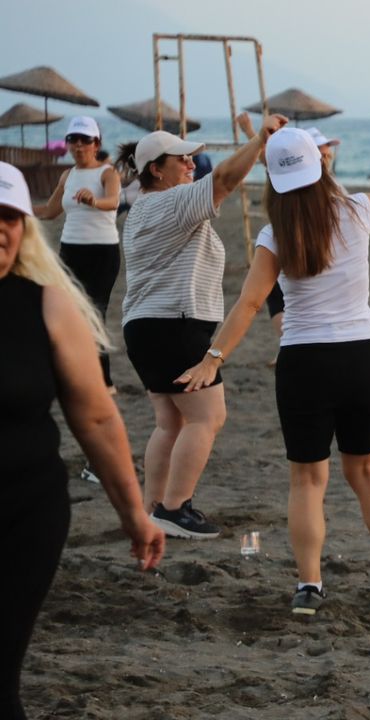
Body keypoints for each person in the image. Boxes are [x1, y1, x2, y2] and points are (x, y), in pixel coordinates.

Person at [174, 128, 370, 614]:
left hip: (305, 362)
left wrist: (212, 358)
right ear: (320, 166)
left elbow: (250, 303)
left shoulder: (275, 233)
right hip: (361, 357)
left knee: (307, 481)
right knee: (366, 469)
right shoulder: (357, 210)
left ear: (273, 179)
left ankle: (310, 588)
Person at [0, 161, 164, 719]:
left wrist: (134, 513)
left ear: (24, 228)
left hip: (23, 514)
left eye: (10, 217)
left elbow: (95, 418)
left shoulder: (47, 304)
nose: (0, 229)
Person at [115, 112, 287, 538]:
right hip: (173, 325)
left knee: (170, 423)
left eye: (191, 157)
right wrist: (258, 141)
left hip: (144, 327)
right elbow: (225, 180)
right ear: (157, 170)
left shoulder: (140, 209)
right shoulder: (170, 201)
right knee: (207, 417)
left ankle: (153, 508)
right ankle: (175, 509)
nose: (191, 163)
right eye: (181, 159)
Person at [33, 116, 121, 395]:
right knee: (65, 311)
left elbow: (113, 201)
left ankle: (105, 382)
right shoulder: (67, 175)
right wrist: (16, 206)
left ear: (96, 143)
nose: (79, 145)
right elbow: (49, 211)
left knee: (94, 312)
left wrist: (94, 200)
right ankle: (73, 372)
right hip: (70, 250)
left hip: (102, 252)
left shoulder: (107, 173)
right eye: (73, 139)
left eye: (85, 139)